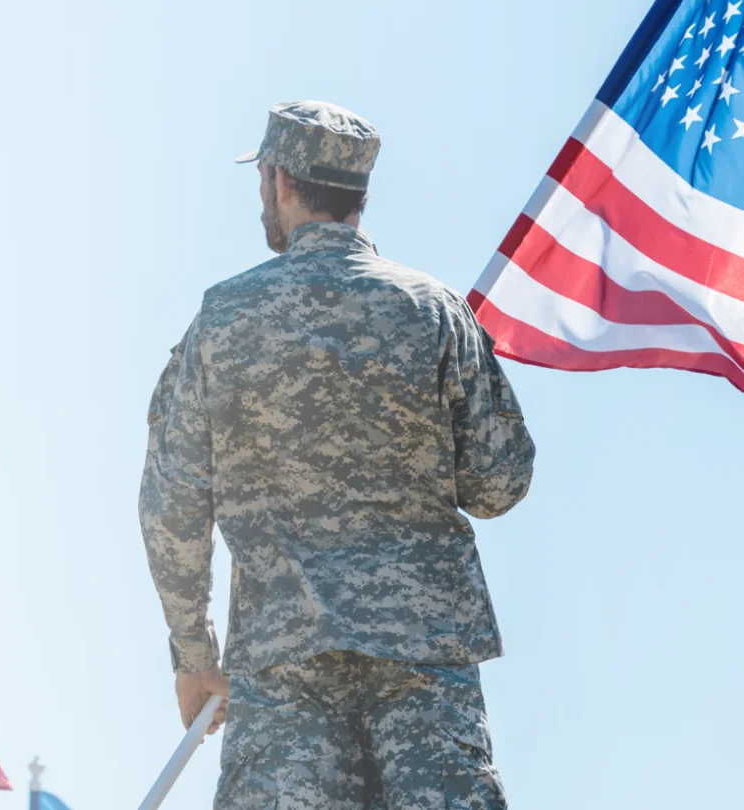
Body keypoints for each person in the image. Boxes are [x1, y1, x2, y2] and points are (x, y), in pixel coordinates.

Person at [139, 100, 536, 810]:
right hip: (423, 659)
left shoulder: (221, 321)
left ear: (278, 180)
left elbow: (171, 503)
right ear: (358, 192)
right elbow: (499, 484)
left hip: (283, 669)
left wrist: (193, 657)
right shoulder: (436, 309)